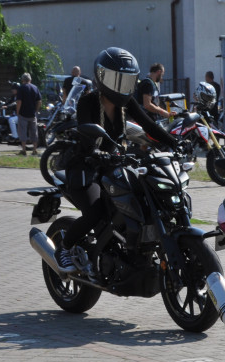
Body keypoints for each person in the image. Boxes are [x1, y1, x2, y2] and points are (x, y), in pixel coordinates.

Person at [53, 48, 178, 272]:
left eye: (126, 80)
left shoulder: (126, 102)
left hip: (113, 166)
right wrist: (96, 152)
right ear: (102, 77)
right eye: (115, 79)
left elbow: (148, 125)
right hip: (85, 168)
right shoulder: (88, 102)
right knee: (96, 212)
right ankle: (63, 247)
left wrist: (174, 142)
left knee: (143, 201)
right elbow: (85, 132)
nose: (121, 86)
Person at [15, 73, 42, 156]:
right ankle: (34, 150)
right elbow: (39, 101)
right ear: (30, 80)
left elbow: (19, 101)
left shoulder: (21, 88)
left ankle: (24, 150)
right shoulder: (35, 88)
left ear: (23, 80)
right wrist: (36, 110)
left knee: (22, 132)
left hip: (23, 114)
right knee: (34, 132)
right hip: (32, 114)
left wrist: (17, 111)